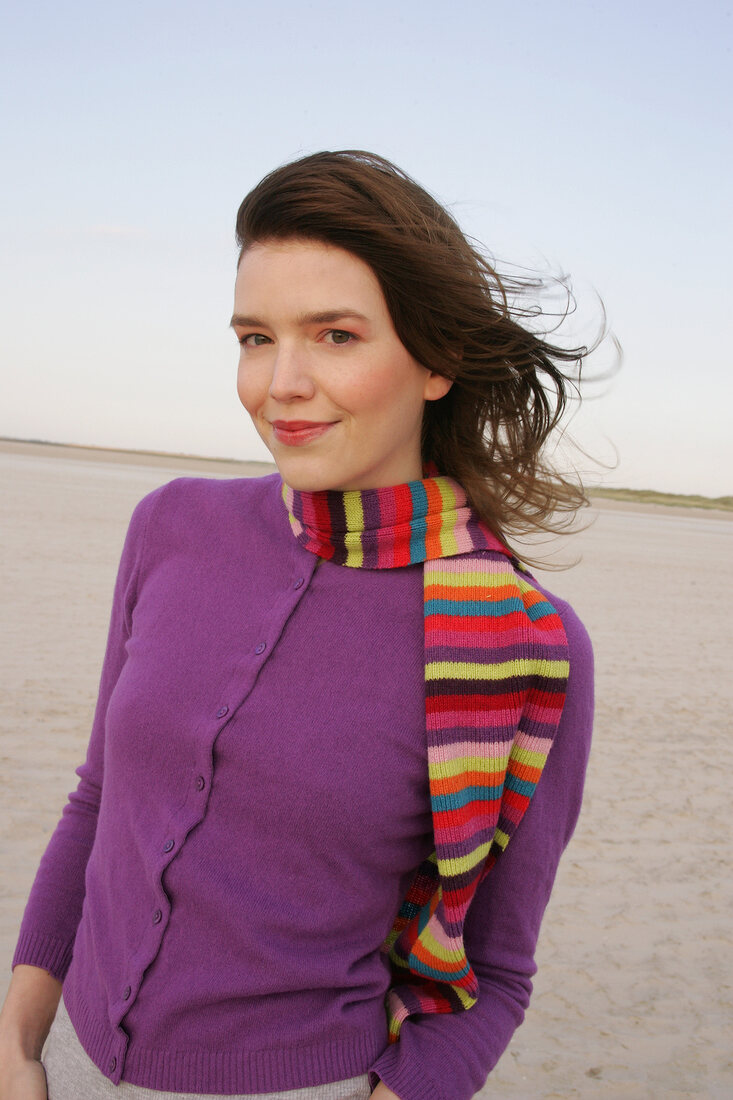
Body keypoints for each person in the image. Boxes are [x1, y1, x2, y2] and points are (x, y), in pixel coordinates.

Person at [0, 151, 595, 1100]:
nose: (279, 383)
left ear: (434, 358)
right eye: (252, 337)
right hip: (60, 1062)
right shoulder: (171, 525)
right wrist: (18, 1045)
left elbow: (497, 972)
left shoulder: (522, 641)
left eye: (334, 335)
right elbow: (97, 803)